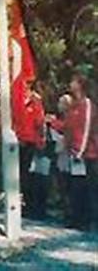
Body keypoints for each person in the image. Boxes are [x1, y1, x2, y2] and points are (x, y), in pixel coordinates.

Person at [63, 73, 98, 231]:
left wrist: (80, 151)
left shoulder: (87, 105)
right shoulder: (74, 106)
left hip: (86, 154)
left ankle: (87, 220)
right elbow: (69, 128)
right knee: (75, 186)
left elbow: (87, 129)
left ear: (80, 85)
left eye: (73, 81)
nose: (70, 84)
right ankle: (76, 217)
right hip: (73, 153)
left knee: (85, 187)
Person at [17, 80, 46, 218]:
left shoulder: (35, 100)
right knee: (21, 174)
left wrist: (40, 141)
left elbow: (39, 123)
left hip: (31, 142)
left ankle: (32, 206)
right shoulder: (18, 99)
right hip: (19, 141)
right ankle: (22, 203)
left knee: (29, 175)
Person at [46, 94, 72, 223]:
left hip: (67, 154)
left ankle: (68, 211)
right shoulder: (62, 117)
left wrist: (53, 123)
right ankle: (63, 208)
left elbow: (65, 128)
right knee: (60, 180)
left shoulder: (71, 116)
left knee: (66, 182)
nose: (59, 105)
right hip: (59, 153)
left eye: (62, 103)